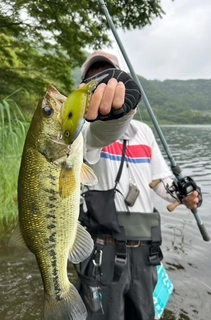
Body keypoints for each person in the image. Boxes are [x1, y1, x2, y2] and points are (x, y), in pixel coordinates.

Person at [77, 51, 201, 320]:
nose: (101, 82)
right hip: (103, 248)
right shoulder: (85, 133)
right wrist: (116, 117)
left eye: (107, 75)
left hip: (146, 249)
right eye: (93, 77)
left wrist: (183, 195)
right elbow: (103, 132)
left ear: (121, 81)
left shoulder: (144, 132)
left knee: (144, 315)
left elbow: (159, 181)